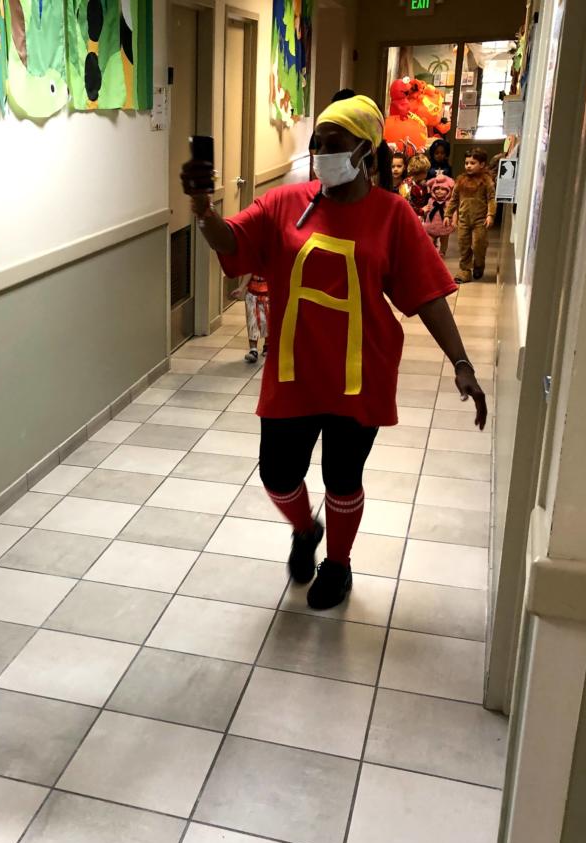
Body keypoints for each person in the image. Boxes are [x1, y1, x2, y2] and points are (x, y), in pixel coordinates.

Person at [181, 95, 486, 609]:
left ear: (364, 150)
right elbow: (231, 242)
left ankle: (338, 565)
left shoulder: (391, 215)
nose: (321, 153)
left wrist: (461, 363)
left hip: (360, 372)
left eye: (334, 144)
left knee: (342, 478)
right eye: (317, 144)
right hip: (293, 371)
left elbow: (427, 294)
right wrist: (203, 208)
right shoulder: (286, 203)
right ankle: (305, 529)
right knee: (278, 473)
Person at [445, 148, 496, 282]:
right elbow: (454, 199)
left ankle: (479, 264)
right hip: (463, 220)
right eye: (466, 163)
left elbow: (491, 198)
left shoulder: (486, 181)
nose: (468, 166)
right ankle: (465, 270)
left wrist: (490, 214)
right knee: (464, 245)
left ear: (482, 164)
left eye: (473, 163)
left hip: (480, 220)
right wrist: (448, 214)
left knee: (479, 244)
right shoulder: (461, 181)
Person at [230, 273, 270, 362]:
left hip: (268, 292)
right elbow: (249, 272)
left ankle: (267, 345)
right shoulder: (253, 264)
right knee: (252, 321)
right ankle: (253, 350)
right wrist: (241, 288)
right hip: (252, 293)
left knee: (266, 321)